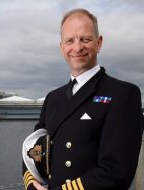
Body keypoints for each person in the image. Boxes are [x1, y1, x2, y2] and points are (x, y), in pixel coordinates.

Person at [22, 8, 143, 190]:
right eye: (70, 40)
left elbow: (117, 172)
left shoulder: (123, 94)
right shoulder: (53, 98)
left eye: (85, 39)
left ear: (99, 43)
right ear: (62, 47)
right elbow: (33, 151)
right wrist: (32, 186)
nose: (77, 47)